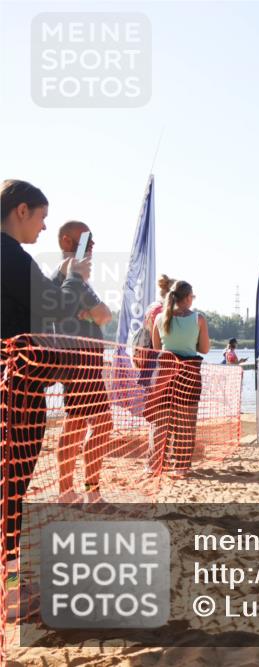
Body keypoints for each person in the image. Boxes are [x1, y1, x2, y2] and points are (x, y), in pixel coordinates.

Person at [1, 179, 94, 614]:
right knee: (11, 498)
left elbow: (37, 305)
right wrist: (76, 280)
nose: (44, 227)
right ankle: (13, 592)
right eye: (41, 216)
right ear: (21, 211)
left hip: (16, 389)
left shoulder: (12, 259)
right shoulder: (9, 256)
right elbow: (54, 307)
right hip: (15, 397)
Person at [50, 221, 114, 504]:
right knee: (96, 422)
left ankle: (75, 491)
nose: (92, 246)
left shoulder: (71, 275)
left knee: (80, 423)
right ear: (66, 241)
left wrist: (89, 316)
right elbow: (102, 314)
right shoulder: (70, 273)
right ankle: (85, 492)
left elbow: (104, 315)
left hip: (81, 359)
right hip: (79, 359)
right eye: (87, 239)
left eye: (93, 240)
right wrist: (92, 315)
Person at [151, 280, 210, 477]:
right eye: (192, 296)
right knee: (185, 422)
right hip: (189, 371)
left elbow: (156, 349)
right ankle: (181, 466)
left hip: (165, 371)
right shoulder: (198, 319)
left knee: (161, 421)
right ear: (187, 298)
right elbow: (204, 349)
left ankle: (155, 464)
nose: (193, 300)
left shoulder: (159, 318)